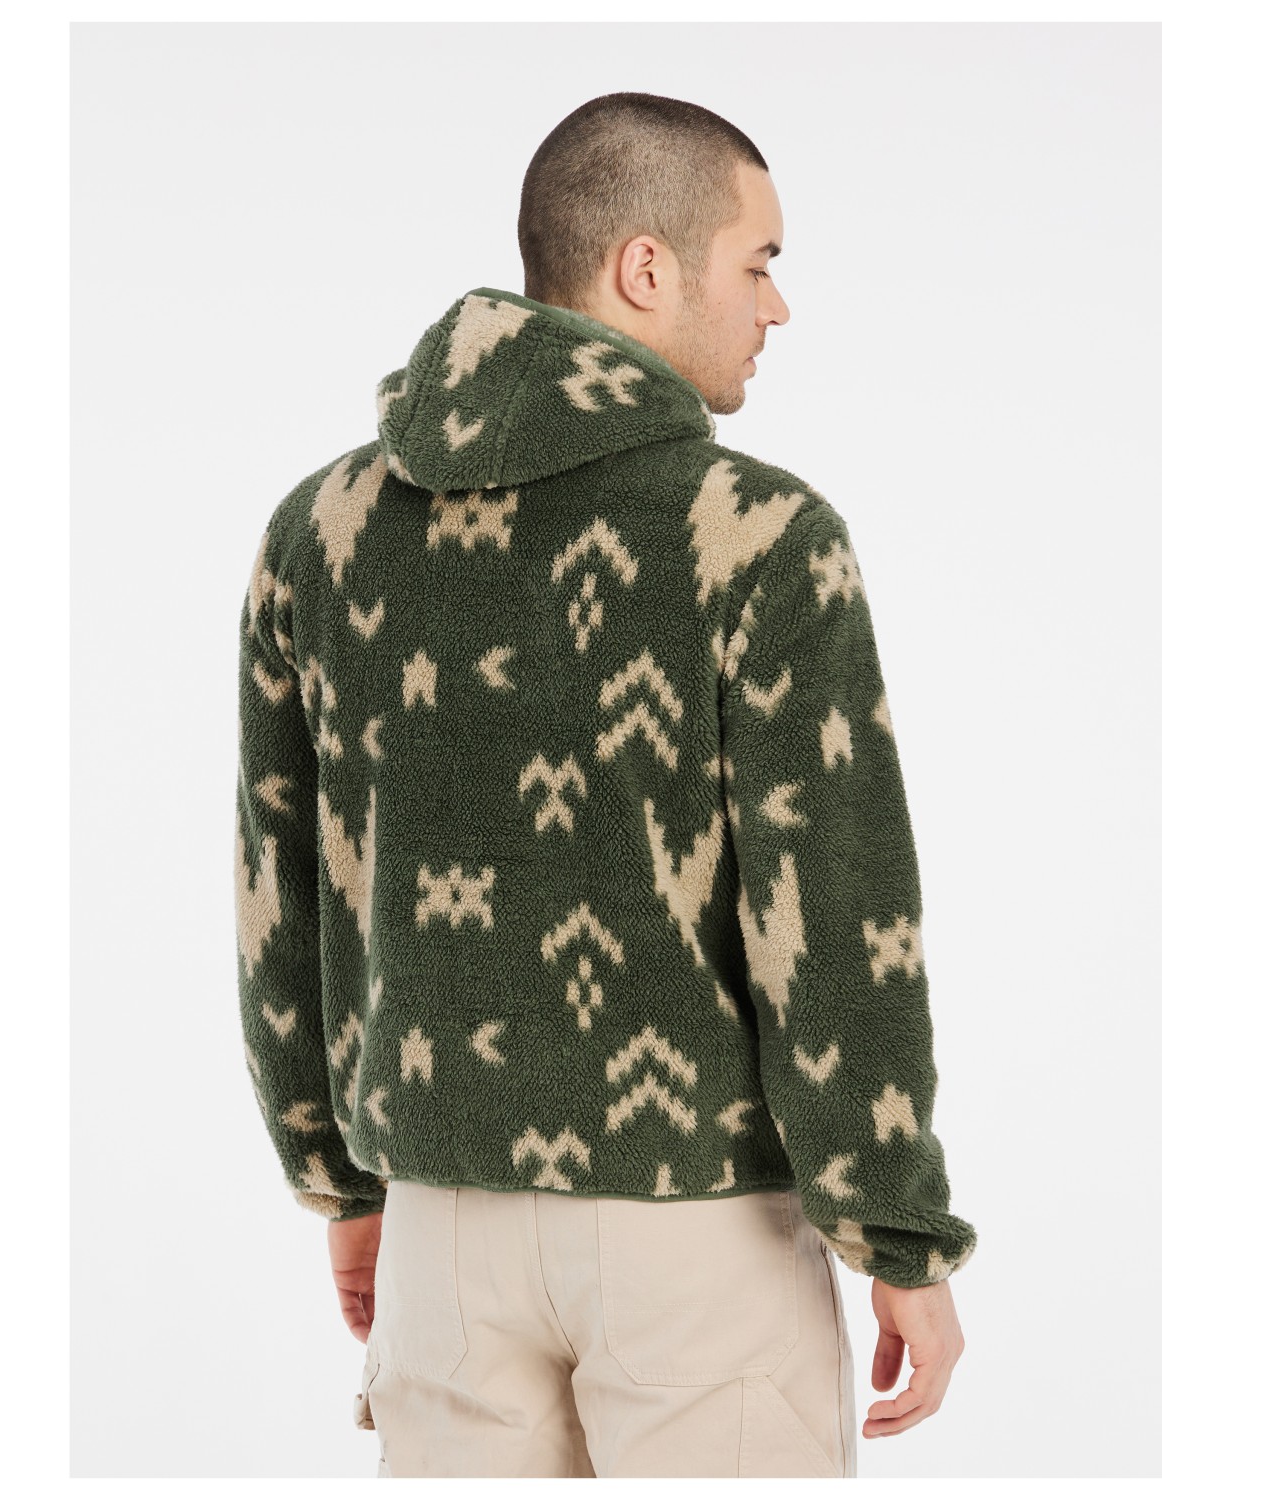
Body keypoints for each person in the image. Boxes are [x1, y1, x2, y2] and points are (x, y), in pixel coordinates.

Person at [233, 90, 977, 1479]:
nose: (777, 306)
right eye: (758, 261)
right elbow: (834, 912)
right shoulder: (756, 535)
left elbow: (283, 889)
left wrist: (337, 1179)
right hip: (698, 1231)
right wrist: (898, 1235)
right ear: (647, 267)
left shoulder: (322, 530)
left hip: (439, 1227)